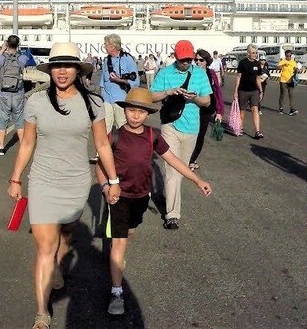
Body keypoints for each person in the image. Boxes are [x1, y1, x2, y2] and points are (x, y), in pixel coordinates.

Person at [7, 43, 118, 329]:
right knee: (45, 247)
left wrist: (113, 180)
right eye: (57, 66)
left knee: (65, 236)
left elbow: (102, 144)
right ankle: (42, 312)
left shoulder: (93, 103)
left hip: (77, 181)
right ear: (50, 70)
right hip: (43, 181)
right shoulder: (36, 102)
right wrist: (16, 178)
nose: (62, 71)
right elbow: (28, 143)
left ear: (78, 70)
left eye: (68, 65)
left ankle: (59, 261)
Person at [96, 87, 212, 316]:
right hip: (119, 197)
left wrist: (197, 180)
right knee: (118, 243)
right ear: (125, 111)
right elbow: (100, 165)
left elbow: (174, 161)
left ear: (148, 114)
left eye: (140, 111)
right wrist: (106, 186)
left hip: (141, 196)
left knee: (129, 233)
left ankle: (120, 250)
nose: (135, 115)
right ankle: (117, 291)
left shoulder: (153, 136)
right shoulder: (115, 136)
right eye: (131, 110)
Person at [149, 40, 211, 229]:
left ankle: (169, 196)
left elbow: (207, 101)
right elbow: (151, 96)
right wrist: (169, 91)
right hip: (170, 125)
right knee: (171, 169)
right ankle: (173, 214)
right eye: (183, 60)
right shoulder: (165, 73)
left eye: (189, 60)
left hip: (192, 127)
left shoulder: (199, 74)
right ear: (175, 57)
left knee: (181, 170)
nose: (186, 63)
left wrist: (195, 98)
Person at [189, 48, 224, 171]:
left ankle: (192, 159)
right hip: (193, 108)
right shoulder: (191, 72)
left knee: (200, 135)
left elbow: (218, 92)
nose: (198, 62)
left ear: (206, 61)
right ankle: (189, 159)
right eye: (196, 60)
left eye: (201, 60)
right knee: (192, 134)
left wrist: (220, 111)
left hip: (207, 109)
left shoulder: (211, 74)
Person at [0, 35, 29, 155]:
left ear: (7, 44)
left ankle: (1, 147)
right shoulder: (22, 58)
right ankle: (23, 147)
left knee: (3, 120)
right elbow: (26, 64)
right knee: (19, 121)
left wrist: (2, 49)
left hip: (4, 93)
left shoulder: (0, 58)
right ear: (18, 45)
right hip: (18, 93)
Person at [98, 34, 140, 134]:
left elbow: (136, 82)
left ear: (112, 46)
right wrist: (101, 97)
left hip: (121, 99)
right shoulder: (106, 60)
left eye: (106, 44)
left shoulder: (128, 59)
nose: (104, 46)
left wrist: (119, 80)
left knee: (121, 126)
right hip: (106, 99)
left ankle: (121, 148)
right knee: (105, 127)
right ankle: (103, 149)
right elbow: (102, 82)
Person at [233, 44, 265, 139]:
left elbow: (258, 78)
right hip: (243, 90)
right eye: (253, 53)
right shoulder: (242, 63)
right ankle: (240, 128)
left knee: (255, 109)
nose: (255, 55)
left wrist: (261, 90)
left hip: (254, 90)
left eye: (256, 53)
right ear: (248, 53)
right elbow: (238, 77)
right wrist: (235, 91)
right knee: (242, 110)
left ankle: (257, 131)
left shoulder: (257, 64)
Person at [276, 49, 299, 115]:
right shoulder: (283, 61)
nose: (288, 57)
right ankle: (280, 108)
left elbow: (296, 69)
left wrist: (296, 69)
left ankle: (292, 109)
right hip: (283, 81)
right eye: (287, 56)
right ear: (285, 55)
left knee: (291, 95)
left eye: (289, 55)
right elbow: (277, 68)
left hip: (291, 81)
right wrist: (283, 65)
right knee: (282, 95)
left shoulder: (293, 62)